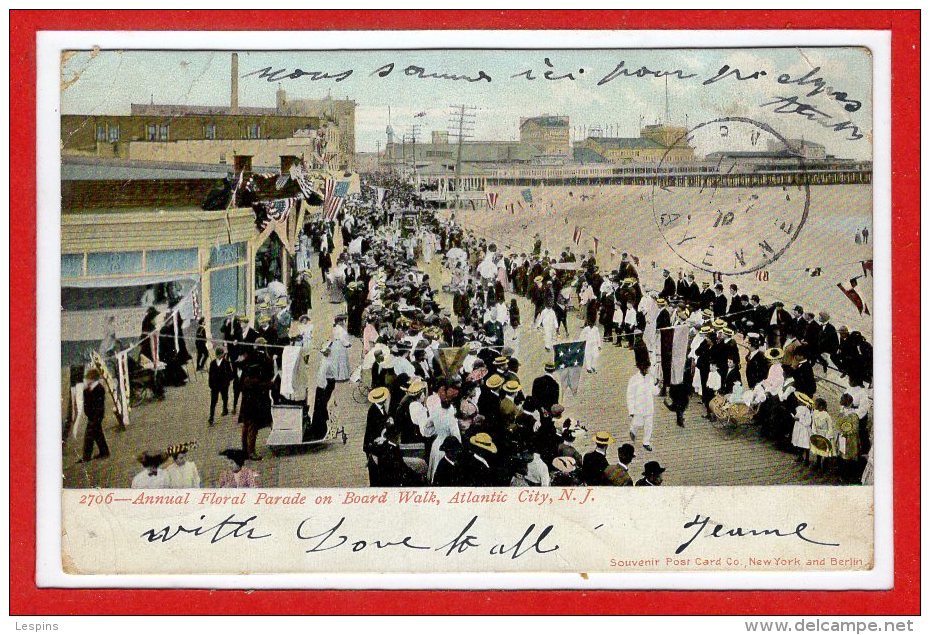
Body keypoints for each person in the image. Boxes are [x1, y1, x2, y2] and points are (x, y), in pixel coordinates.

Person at [238, 339, 274, 460]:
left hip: (246, 399)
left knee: (246, 425)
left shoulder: (249, 359)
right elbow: (264, 380)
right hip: (254, 400)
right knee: (252, 425)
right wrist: (270, 384)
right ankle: (251, 451)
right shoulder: (262, 360)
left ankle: (244, 450)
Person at [627, 361, 660, 452]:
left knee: (649, 426)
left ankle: (646, 442)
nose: (647, 370)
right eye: (646, 369)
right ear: (641, 368)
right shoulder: (634, 379)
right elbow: (630, 395)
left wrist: (657, 385)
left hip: (649, 406)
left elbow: (655, 392)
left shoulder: (650, 378)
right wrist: (631, 410)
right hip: (638, 407)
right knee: (638, 423)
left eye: (648, 368)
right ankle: (633, 430)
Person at [80, 368, 110, 463]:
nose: (86, 381)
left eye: (88, 379)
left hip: (96, 416)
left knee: (89, 435)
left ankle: (86, 456)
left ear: (92, 379)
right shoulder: (87, 389)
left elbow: (99, 405)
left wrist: (96, 416)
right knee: (97, 434)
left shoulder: (99, 389)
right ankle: (104, 451)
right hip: (91, 415)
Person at [307, 345, 336, 441]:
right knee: (320, 406)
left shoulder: (326, 362)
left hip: (325, 385)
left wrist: (321, 388)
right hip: (326, 384)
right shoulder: (327, 360)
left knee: (320, 406)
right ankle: (318, 426)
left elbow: (322, 377)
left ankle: (319, 429)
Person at [809, 397, 837, 473]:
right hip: (818, 434)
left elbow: (830, 427)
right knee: (818, 450)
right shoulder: (815, 413)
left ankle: (824, 466)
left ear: (821, 406)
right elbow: (813, 424)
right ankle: (817, 463)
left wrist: (827, 437)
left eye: (816, 405)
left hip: (825, 435)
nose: (814, 406)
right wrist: (814, 432)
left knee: (825, 451)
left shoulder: (827, 416)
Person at [208, 347, 233, 426]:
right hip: (215, 386)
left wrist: (227, 380)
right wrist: (210, 384)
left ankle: (225, 409)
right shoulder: (212, 363)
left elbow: (231, 374)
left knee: (224, 397)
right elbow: (210, 375)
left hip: (223, 385)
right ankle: (211, 417)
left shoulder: (226, 363)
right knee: (213, 402)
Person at [328, 315, 353, 382]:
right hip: (340, 345)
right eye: (342, 321)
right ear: (339, 322)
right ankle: (341, 377)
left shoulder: (336, 328)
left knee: (337, 360)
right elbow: (342, 339)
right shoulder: (340, 329)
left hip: (336, 345)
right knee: (341, 360)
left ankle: (337, 376)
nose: (343, 322)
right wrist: (348, 344)